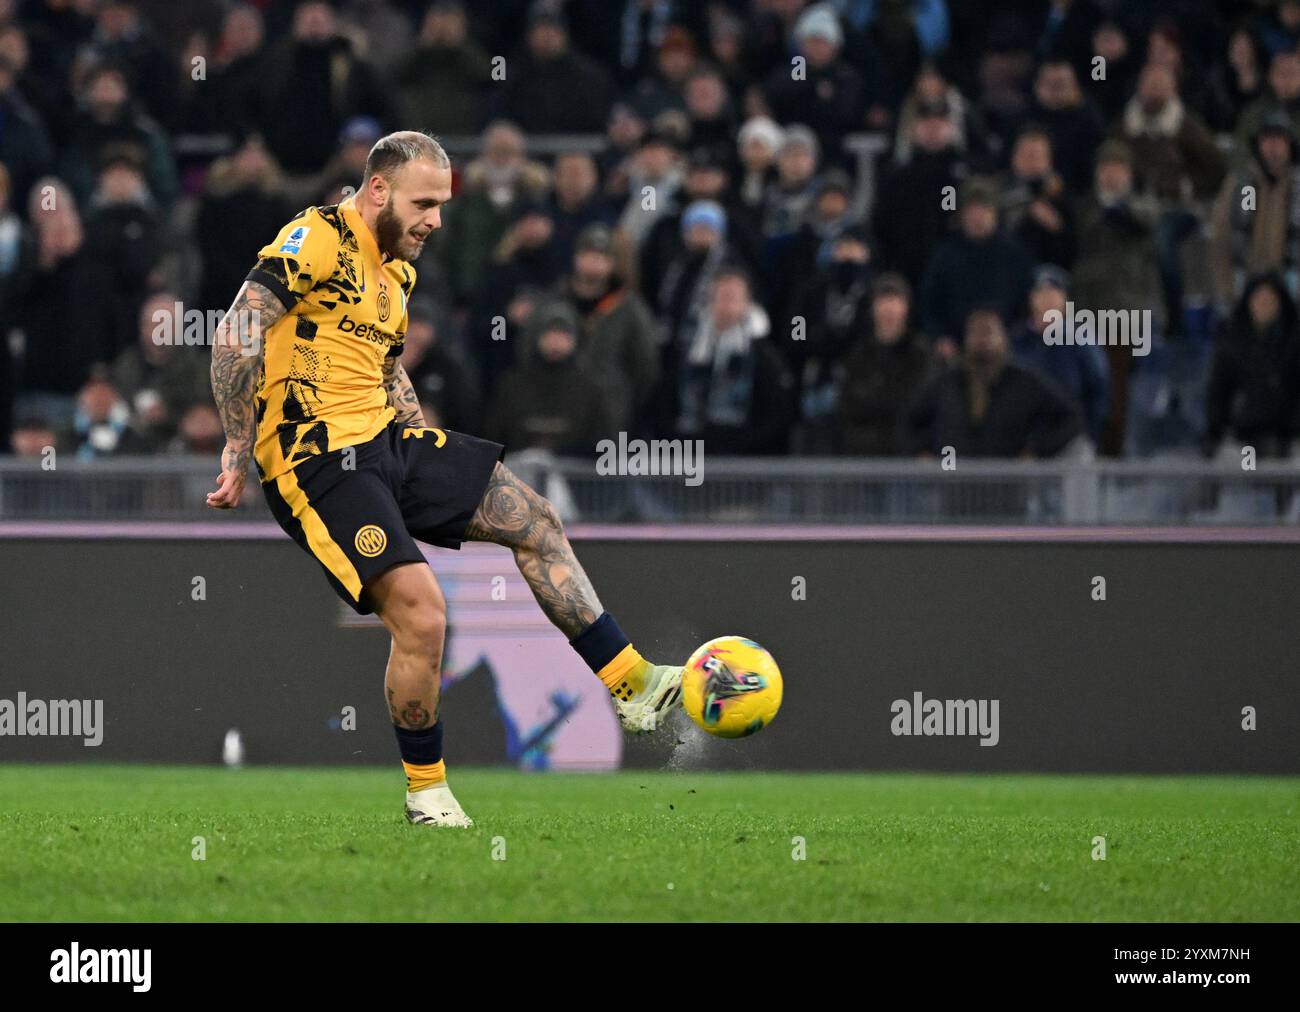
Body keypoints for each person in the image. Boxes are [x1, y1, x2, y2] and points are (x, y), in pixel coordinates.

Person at [206, 132, 684, 829]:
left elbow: (386, 363)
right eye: (424, 203)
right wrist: (238, 443)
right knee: (425, 616)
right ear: (378, 191)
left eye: (442, 205)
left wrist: (423, 443)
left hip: (386, 441)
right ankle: (426, 792)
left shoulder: (397, 273)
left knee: (535, 519)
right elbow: (236, 331)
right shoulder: (315, 237)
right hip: (315, 460)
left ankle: (632, 685)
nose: (435, 219)